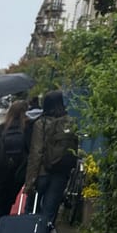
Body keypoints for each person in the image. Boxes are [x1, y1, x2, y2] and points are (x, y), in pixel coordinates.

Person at [24, 91, 78, 225]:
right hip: (60, 174)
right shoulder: (69, 122)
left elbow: (36, 152)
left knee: (31, 210)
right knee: (48, 215)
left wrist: (30, 181)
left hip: (42, 173)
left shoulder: (41, 123)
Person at [0, 99, 30, 233]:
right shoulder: (28, 129)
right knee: (7, 204)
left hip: (1, 171)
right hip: (17, 174)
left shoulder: (2, 127)